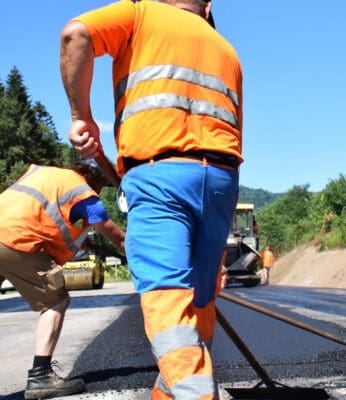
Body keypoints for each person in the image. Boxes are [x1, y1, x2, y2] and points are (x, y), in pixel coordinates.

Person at [60, 1, 243, 398]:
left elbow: (76, 34)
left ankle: (196, 393)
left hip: (160, 174)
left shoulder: (140, 14)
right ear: (208, 8)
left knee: (167, 295)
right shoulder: (225, 49)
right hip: (222, 180)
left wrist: (81, 116)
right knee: (199, 296)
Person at [0, 161, 126, 399]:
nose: (100, 193)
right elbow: (119, 239)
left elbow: (39, 212)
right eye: (102, 186)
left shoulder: (44, 173)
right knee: (55, 300)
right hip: (16, 240)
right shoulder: (84, 193)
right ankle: (41, 377)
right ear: (96, 179)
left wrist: (80, 240)